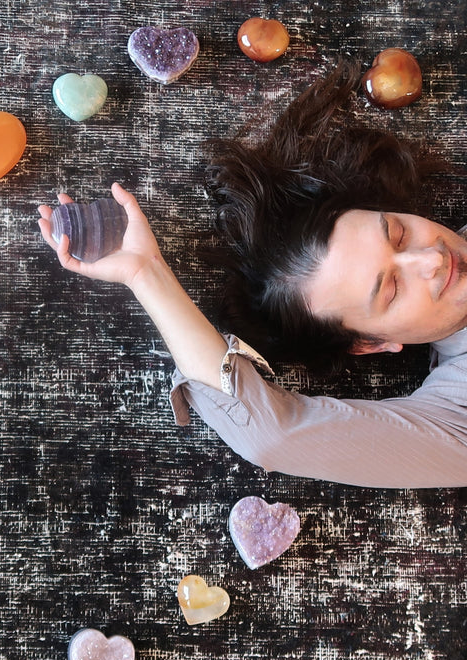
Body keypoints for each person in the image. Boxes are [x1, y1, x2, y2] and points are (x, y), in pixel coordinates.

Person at [39, 62, 467, 489]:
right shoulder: (457, 417)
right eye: (392, 289)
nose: (431, 259)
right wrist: (147, 274)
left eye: (398, 231)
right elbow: (273, 435)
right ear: (369, 343)